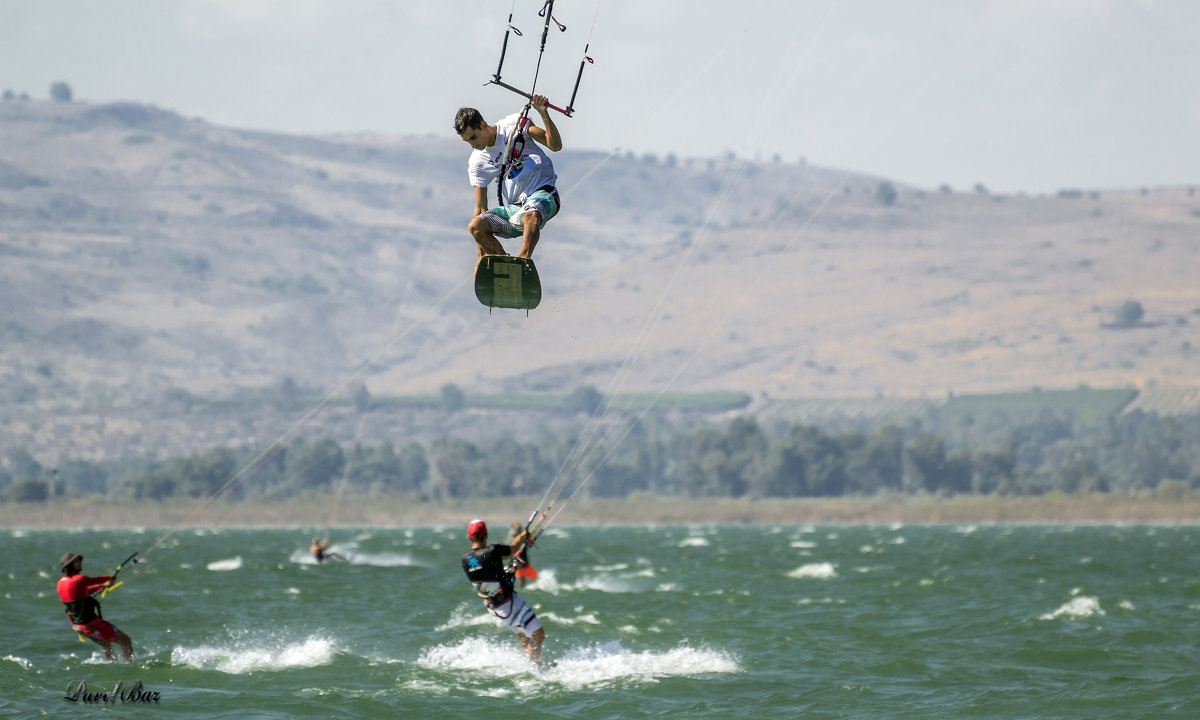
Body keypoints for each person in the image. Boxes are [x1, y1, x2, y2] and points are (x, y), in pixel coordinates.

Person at [454, 94, 563, 262]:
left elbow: (555, 145)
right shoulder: (477, 162)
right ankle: (505, 267)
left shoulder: (514, 125)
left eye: (474, 137)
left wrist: (543, 113)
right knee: (476, 226)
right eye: (467, 141)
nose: (473, 146)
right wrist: (479, 258)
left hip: (543, 194)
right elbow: (480, 209)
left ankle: (522, 262)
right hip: (517, 209)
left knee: (530, 214)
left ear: (483, 125)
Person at [461, 519, 546, 667]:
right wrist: (524, 535)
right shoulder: (493, 550)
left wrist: (507, 571)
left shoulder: (465, 560)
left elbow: (487, 572)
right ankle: (536, 667)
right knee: (538, 634)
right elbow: (513, 548)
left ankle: (530, 661)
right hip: (508, 604)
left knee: (523, 634)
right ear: (485, 534)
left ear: (469, 537)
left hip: (494, 607)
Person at [56, 552, 134, 662]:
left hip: (79, 627)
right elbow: (98, 580)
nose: (80, 563)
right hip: (92, 624)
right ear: (70, 565)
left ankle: (113, 667)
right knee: (126, 641)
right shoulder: (80, 579)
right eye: (77, 561)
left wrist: (102, 586)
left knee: (106, 645)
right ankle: (129, 666)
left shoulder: (60, 583)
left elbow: (85, 591)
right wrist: (110, 579)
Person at [504, 521, 539, 588]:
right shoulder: (515, 538)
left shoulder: (521, 537)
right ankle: (521, 588)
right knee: (526, 579)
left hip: (520, 564)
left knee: (525, 580)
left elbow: (529, 543)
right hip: (520, 564)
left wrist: (531, 541)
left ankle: (521, 588)